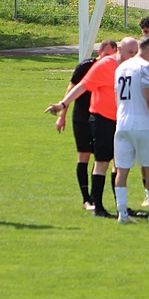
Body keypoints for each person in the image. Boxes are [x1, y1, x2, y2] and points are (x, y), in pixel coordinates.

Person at [47, 37, 139, 218]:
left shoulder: (133, 67)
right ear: (120, 49)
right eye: (130, 52)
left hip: (122, 120)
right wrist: (63, 105)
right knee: (102, 162)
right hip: (102, 119)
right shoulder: (104, 65)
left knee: (120, 163)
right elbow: (82, 86)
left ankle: (121, 206)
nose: (133, 56)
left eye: (136, 53)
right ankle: (98, 207)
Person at [54, 40, 118, 211]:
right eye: (106, 54)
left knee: (105, 158)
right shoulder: (86, 66)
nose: (108, 58)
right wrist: (62, 116)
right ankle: (86, 199)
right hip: (82, 116)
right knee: (84, 155)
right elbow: (71, 89)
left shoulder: (116, 67)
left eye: (111, 55)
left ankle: (100, 199)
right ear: (100, 52)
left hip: (101, 118)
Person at [113, 37, 149, 223]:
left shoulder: (121, 67)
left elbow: (119, 96)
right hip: (142, 125)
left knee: (122, 170)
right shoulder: (145, 67)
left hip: (122, 123)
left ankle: (122, 214)